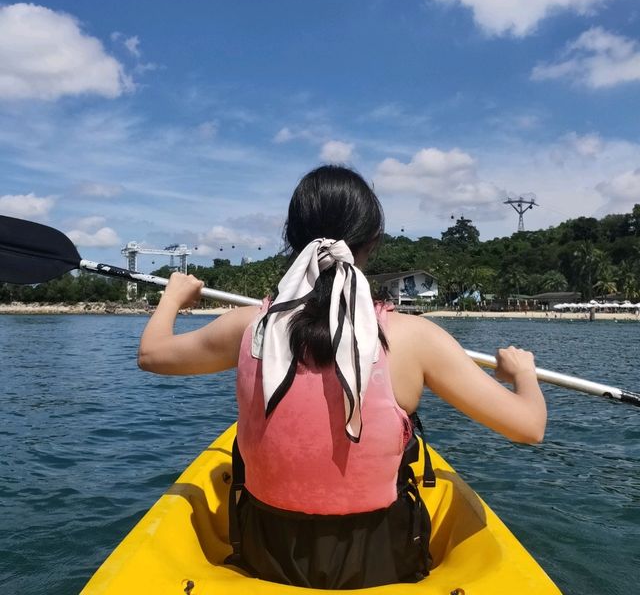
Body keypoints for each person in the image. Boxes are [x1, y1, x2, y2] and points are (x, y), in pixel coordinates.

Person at [138, 165, 547, 589]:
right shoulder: (415, 338)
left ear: (291, 240)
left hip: (267, 551)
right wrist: (523, 373)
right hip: (379, 559)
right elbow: (529, 427)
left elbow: (152, 355)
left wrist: (172, 297)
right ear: (372, 243)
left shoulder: (245, 327)